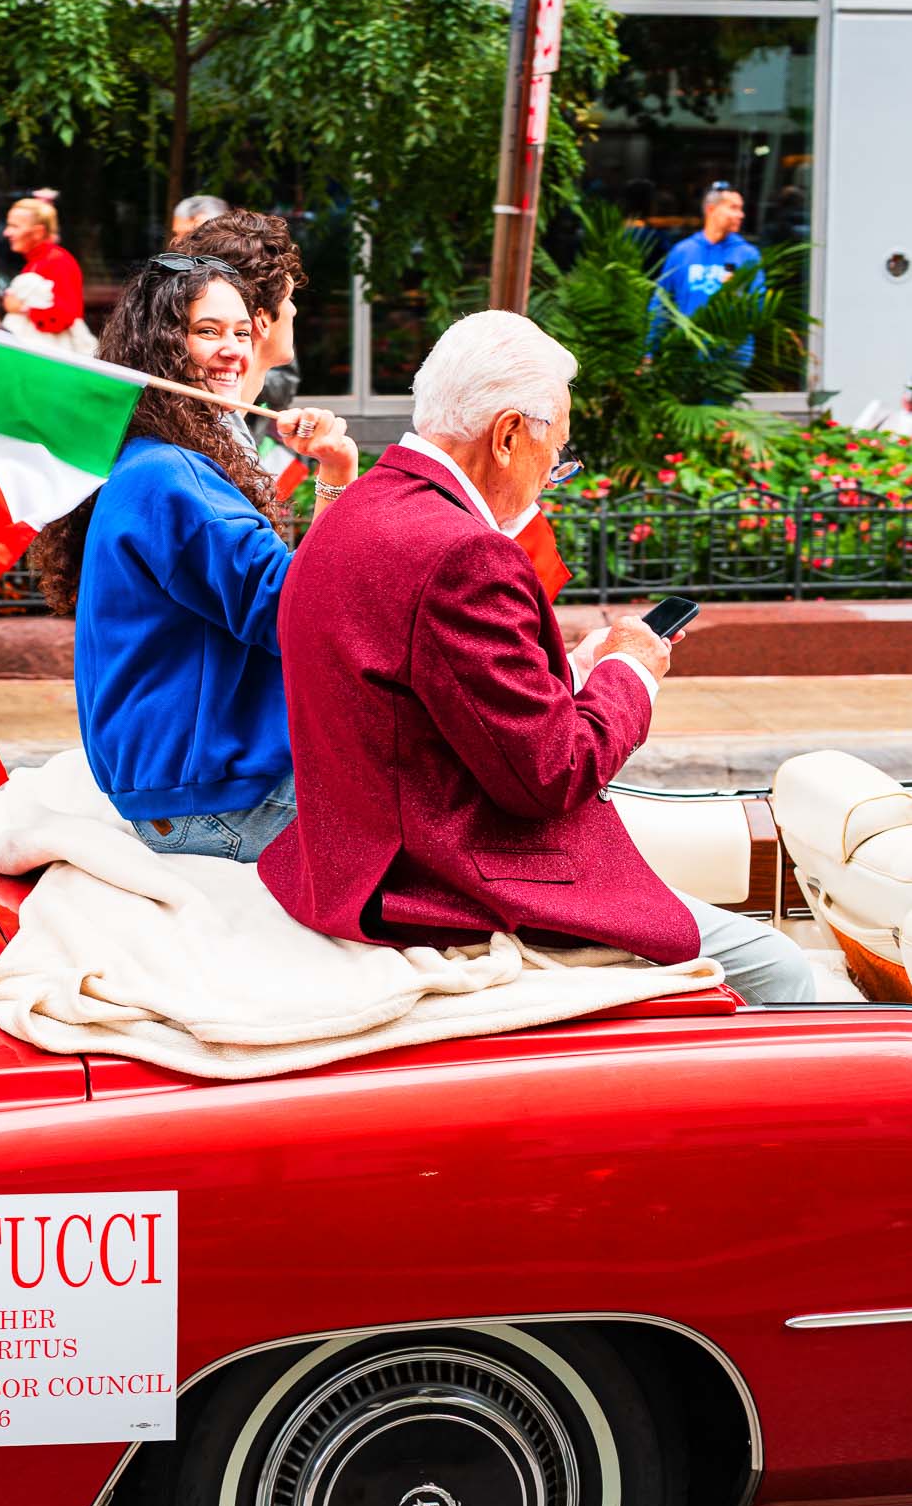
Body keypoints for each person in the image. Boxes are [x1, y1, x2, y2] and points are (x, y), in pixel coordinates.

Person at [259, 310, 815, 1006]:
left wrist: (573, 673)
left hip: (353, 858)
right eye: (559, 452)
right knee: (778, 965)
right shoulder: (464, 551)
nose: (555, 472)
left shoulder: (355, 506)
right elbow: (551, 774)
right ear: (510, 433)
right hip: (438, 882)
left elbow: (432, 691)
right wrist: (632, 671)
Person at [31, 255, 358, 860]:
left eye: (242, 331)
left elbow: (289, 598)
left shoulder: (154, 460)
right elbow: (300, 611)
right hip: (215, 803)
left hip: (187, 793)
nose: (235, 350)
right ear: (159, 346)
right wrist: (348, 489)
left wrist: (333, 474)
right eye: (207, 331)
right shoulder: (171, 475)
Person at [173, 207, 303, 426]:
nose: (293, 311)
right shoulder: (202, 442)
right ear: (261, 320)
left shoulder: (207, 431)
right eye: (288, 298)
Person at [649, 182, 765, 354]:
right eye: (733, 208)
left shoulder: (747, 255)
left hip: (729, 359)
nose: (741, 215)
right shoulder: (683, 252)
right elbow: (661, 302)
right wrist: (649, 351)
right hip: (686, 354)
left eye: (741, 208)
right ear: (711, 210)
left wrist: (737, 296)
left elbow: (759, 306)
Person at [0, 196, 94, 356]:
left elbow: (66, 316)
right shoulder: (37, 261)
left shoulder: (58, 262)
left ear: (38, 232)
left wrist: (22, 308)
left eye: (14, 226)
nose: (6, 232)